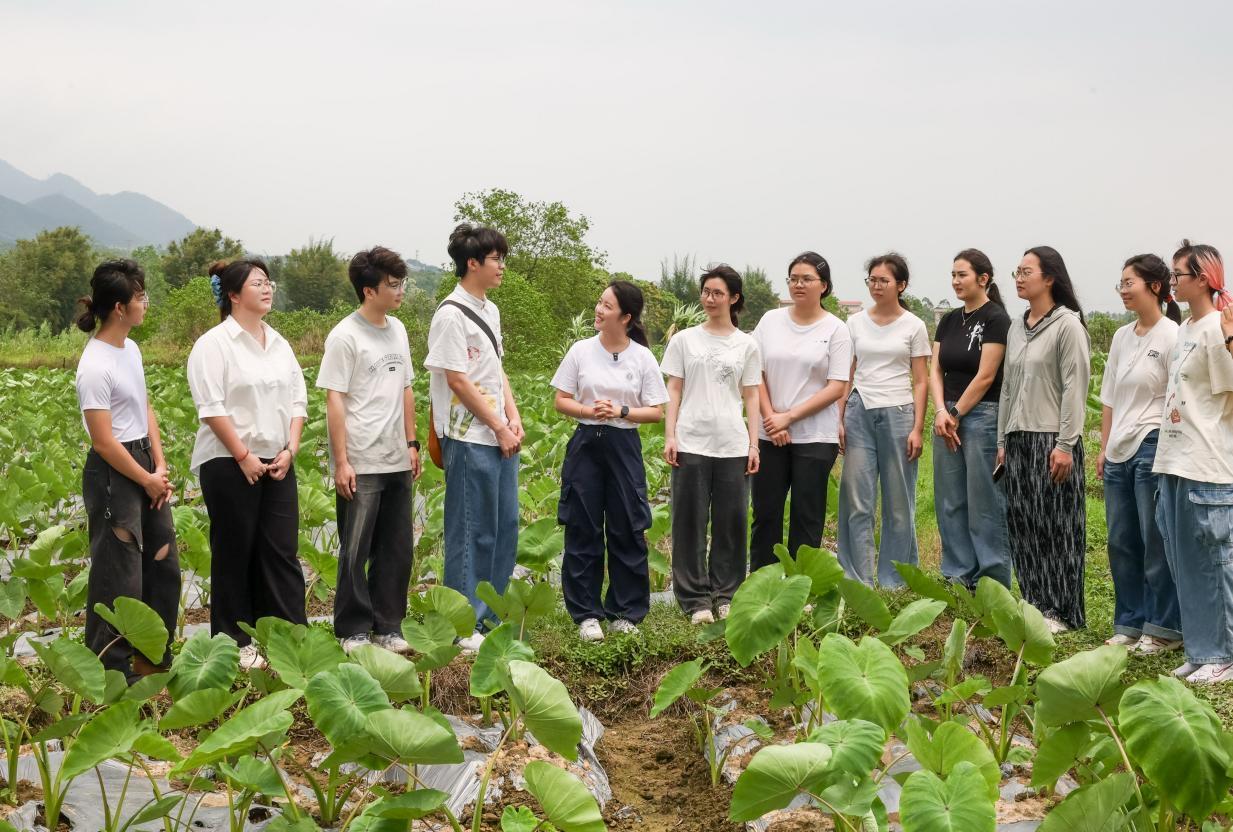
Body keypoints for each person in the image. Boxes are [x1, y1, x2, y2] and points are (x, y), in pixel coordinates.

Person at [187, 259, 308, 670]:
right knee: (234, 552)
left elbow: (297, 400)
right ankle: (235, 642)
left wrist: (290, 449)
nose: (267, 288)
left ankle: (290, 638)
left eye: (268, 282)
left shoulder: (279, 343)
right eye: (258, 283)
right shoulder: (214, 344)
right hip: (228, 461)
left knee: (281, 551)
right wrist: (243, 455)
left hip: (278, 459)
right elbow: (211, 407)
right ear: (234, 295)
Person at [74, 259, 179, 682]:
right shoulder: (94, 365)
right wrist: (144, 477)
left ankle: (152, 661)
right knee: (119, 575)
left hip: (144, 460)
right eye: (140, 296)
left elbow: (143, 406)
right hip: (114, 471)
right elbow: (103, 441)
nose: (145, 303)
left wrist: (159, 463)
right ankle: (111, 673)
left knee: (163, 559)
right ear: (120, 307)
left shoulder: (130, 349)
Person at [318, 246, 421, 655]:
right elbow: (335, 400)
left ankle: (388, 627)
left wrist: (411, 442)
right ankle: (352, 629)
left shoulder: (398, 330)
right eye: (392, 285)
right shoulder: (345, 336)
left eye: (401, 283)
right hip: (361, 458)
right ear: (369, 290)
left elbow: (406, 388)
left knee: (396, 548)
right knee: (355, 548)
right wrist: (341, 461)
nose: (400, 291)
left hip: (397, 456)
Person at [425, 223, 523, 652]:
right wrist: (498, 425)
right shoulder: (450, 314)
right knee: (471, 530)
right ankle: (464, 624)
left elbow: (496, 370)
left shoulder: (490, 310)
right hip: (469, 437)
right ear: (472, 263)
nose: (501, 266)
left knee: (504, 527)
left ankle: (490, 617)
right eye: (496, 259)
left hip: (500, 434)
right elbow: (457, 380)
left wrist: (513, 416)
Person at [552, 281, 668, 640]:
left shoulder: (642, 357)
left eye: (607, 305)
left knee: (627, 527)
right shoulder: (581, 351)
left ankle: (625, 613)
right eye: (599, 302)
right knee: (582, 527)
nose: (598, 310)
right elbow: (561, 400)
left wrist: (621, 410)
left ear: (626, 317)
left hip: (624, 444)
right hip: (586, 443)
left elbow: (656, 411)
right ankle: (586, 614)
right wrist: (590, 410)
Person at [997, 246, 1090, 633]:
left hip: (1052, 440)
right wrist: (1002, 441)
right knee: (1023, 523)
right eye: (1016, 272)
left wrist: (1066, 444)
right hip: (1018, 439)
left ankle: (1061, 611)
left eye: (1026, 272)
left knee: (1058, 527)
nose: (1018, 278)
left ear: (1049, 278)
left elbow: (1074, 388)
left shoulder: (1068, 325)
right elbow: (1007, 387)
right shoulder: (1016, 326)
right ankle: (1034, 603)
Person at [1153, 241, 1233, 685]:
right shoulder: (1184, 327)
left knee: (1213, 560)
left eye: (1178, 275)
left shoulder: (1219, 329)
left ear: (1202, 279)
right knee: (1183, 560)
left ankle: (1224, 653)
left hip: (1207, 462)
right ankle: (1201, 648)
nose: (1172, 282)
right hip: (1174, 458)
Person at [662, 264, 761, 624]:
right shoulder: (684, 340)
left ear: (734, 298)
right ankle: (695, 600)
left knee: (731, 523)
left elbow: (751, 395)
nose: (710, 298)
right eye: (706, 291)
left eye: (718, 293)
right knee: (688, 522)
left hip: (732, 443)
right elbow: (674, 389)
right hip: (691, 440)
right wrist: (670, 435)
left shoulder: (747, 344)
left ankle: (726, 594)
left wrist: (754, 444)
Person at [1097, 254, 1181, 653]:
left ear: (1155, 287)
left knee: (1154, 539)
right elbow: (1109, 397)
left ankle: (1163, 628)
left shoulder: (1172, 335)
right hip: (1118, 450)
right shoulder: (1121, 336)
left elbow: (1175, 400)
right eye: (1121, 283)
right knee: (1120, 540)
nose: (1123, 289)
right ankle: (1129, 623)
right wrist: (1104, 447)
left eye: (1129, 282)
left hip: (1151, 444)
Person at [750, 252, 850, 571]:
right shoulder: (770, 321)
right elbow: (755, 373)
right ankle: (763, 581)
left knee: (807, 516)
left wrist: (789, 417)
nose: (798, 284)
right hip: (770, 434)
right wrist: (772, 418)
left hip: (815, 436)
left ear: (824, 286)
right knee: (766, 513)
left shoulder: (836, 329)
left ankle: (801, 586)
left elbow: (836, 386)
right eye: (793, 278)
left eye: (807, 279)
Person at [837, 253, 930, 588]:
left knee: (898, 503)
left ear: (901, 285)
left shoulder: (914, 325)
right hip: (859, 409)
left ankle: (895, 580)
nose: (876, 286)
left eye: (883, 281)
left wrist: (917, 428)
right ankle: (856, 578)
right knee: (856, 500)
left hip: (899, 413)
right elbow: (846, 375)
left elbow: (921, 381)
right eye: (872, 280)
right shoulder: (854, 323)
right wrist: (840, 417)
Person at [929, 249, 1012, 589]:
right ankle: (957, 573)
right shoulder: (949, 320)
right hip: (946, 415)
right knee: (950, 499)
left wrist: (956, 413)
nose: (955, 281)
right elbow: (935, 369)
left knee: (984, 501)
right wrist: (940, 411)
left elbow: (986, 375)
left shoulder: (996, 319)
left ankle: (991, 579)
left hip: (981, 416)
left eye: (962, 274)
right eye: (953, 274)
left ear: (983, 278)